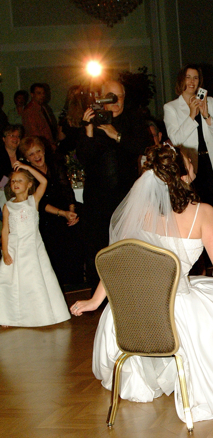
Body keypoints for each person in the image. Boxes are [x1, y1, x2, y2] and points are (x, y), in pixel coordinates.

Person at [70, 143, 213, 423]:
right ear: (184, 174)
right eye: (190, 162)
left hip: (136, 309)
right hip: (177, 308)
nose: (193, 164)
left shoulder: (142, 211)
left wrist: (95, 301)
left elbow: (121, 262)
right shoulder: (203, 213)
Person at [76, 79, 147, 291]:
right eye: (110, 97)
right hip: (97, 200)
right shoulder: (93, 121)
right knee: (98, 249)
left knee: (127, 246)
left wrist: (116, 135)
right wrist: (88, 129)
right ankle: (99, 297)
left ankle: (128, 292)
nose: (115, 102)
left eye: (119, 97)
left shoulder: (133, 120)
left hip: (126, 198)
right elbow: (84, 158)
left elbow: (142, 146)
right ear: (101, 99)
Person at [0, 162, 70, 327]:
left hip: (32, 248)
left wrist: (27, 167)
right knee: (10, 281)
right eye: (13, 181)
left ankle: (41, 314)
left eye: (20, 180)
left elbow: (44, 181)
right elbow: (5, 230)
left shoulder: (33, 200)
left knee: (35, 279)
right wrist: (5, 252)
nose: (16, 184)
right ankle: (8, 316)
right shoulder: (8, 206)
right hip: (14, 248)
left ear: (29, 184)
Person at [20, 136, 84, 288]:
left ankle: (78, 283)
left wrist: (71, 211)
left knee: (78, 232)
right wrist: (63, 213)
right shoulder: (28, 175)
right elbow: (40, 204)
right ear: (27, 159)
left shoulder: (54, 165)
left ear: (43, 151)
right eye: (31, 154)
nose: (36, 156)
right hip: (46, 215)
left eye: (38, 151)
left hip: (64, 210)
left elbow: (67, 189)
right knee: (55, 244)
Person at [163, 64, 213, 215]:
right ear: (181, 80)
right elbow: (175, 139)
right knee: (196, 209)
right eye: (188, 77)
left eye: (196, 78)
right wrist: (192, 115)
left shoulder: (209, 101)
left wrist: (206, 115)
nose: (192, 81)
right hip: (191, 166)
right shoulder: (171, 107)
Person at [22, 83, 57, 148]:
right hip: (40, 146)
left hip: (48, 144)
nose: (42, 96)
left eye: (43, 93)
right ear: (32, 94)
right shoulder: (29, 111)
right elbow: (33, 133)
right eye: (39, 93)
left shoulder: (43, 108)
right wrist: (48, 145)